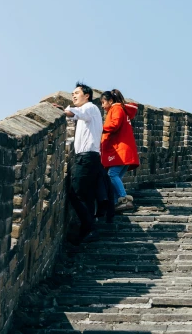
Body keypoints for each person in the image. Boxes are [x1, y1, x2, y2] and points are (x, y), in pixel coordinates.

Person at [56, 82, 109, 245]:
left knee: (76, 194)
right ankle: (86, 231)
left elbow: (76, 113)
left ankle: (91, 228)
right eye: (72, 93)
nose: (73, 95)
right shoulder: (89, 111)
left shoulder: (90, 108)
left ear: (87, 96)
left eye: (77, 93)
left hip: (87, 158)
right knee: (85, 195)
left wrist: (65, 111)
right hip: (89, 158)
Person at [100, 89, 140, 212]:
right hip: (124, 150)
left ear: (110, 101)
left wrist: (99, 128)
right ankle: (119, 201)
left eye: (103, 102)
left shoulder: (116, 108)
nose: (102, 106)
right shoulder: (121, 109)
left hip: (120, 150)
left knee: (112, 175)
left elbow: (114, 124)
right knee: (115, 177)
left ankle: (123, 199)